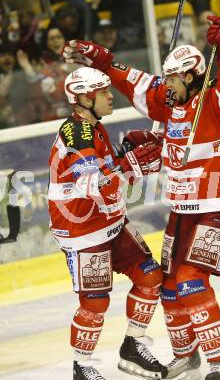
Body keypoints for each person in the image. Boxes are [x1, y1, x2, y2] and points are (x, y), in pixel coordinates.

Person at [63, 13, 220, 380]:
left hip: (218, 207)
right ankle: (186, 354)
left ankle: (219, 360)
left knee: (191, 280)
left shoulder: (216, 101)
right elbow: (134, 82)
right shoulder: (169, 103)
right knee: (167, 283)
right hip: (182, 210)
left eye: (175, 78)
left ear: (192, 76)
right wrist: (102, 61)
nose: (167, 84)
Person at [47, 66, 168, 380]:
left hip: (110, 222)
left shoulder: (94, 128)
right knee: (95, 301)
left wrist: (126, 152)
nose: (109, 95)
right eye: (102, 92)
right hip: (84, 232)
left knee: (150, 276)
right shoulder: (76, 132)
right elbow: (93, 183)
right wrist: (132, 165)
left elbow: (106, 171)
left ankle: (133, 345)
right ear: (85, 98)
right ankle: (82, 365)